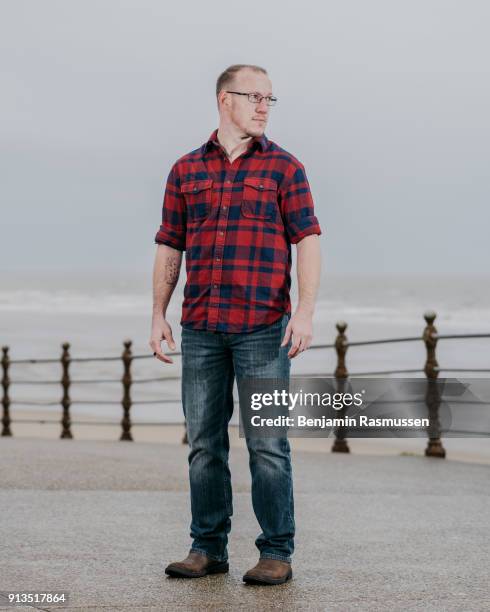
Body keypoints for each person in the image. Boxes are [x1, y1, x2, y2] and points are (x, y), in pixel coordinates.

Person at [149, 64, 322, 586]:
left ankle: (276, 552)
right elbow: (168, 244)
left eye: (271, 99)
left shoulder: (285, 169)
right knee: (204, 444)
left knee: (268, 444)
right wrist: (158, 312)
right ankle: (208, 548)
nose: (266, 106)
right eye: (256, 97)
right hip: (201, 328)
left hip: (264, 329)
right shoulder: (185, 171)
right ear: (226, 100)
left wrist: (306, 311)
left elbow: (308, 239)